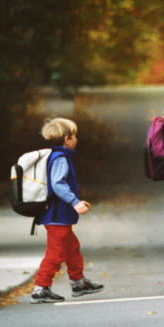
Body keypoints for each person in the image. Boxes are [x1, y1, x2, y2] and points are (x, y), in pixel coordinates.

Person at [30, 117, 104, 304]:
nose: (76, 139)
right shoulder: (60, 158)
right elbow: (57, 184)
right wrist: (75, 201)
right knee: (56, 253)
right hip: (57, 215)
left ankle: (78, 282)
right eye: (74, 136)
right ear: (66, 139)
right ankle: (41, 288)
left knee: (71, 248)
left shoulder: (54, 156)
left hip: (58, 215)